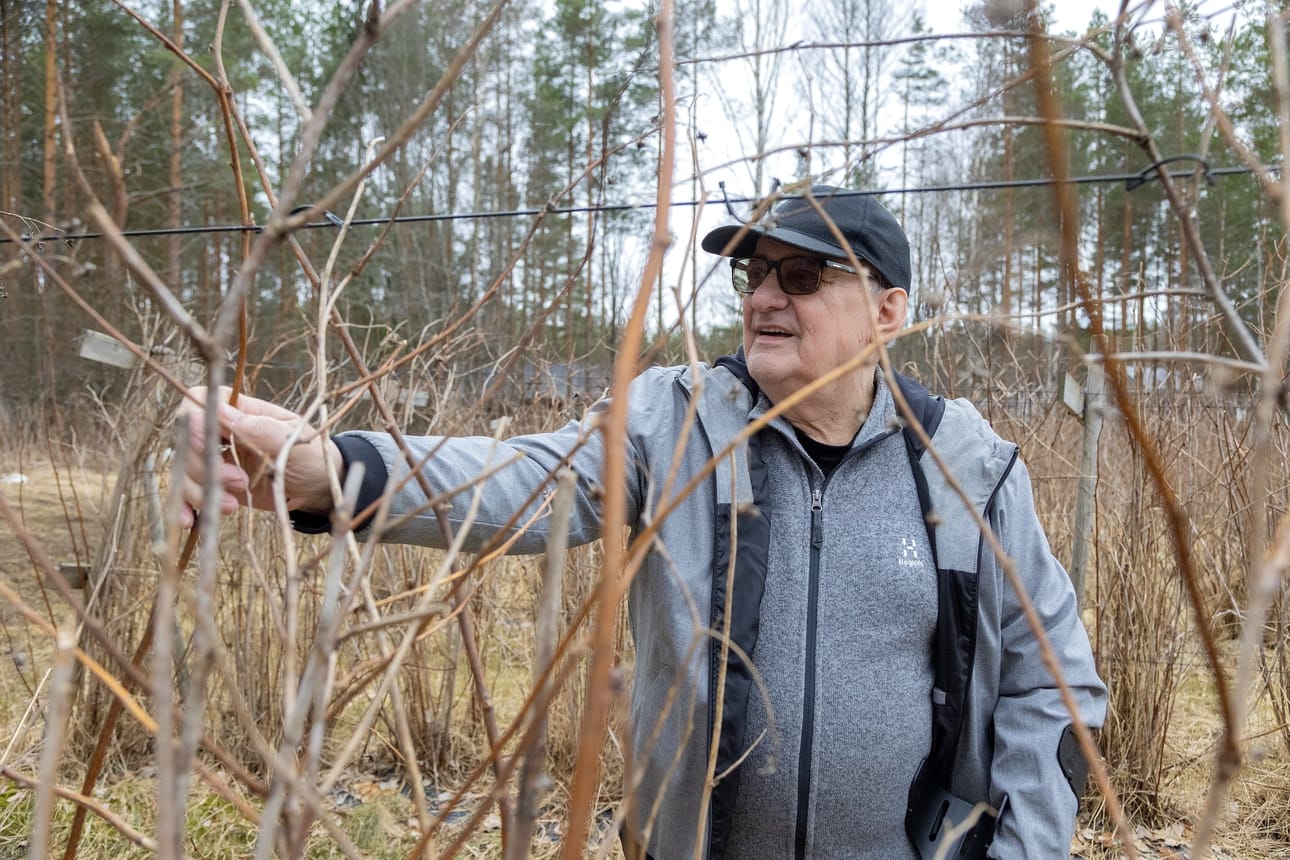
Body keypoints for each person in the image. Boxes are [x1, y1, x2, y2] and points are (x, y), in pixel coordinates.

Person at [180, 186, 1106, 859]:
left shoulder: (965, 467)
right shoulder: (678, 421)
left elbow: (1051, 684)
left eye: (803, 273)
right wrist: (333, 473)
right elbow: (527, 481)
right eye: (753, 273)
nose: (763, 296)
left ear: (889, 311)